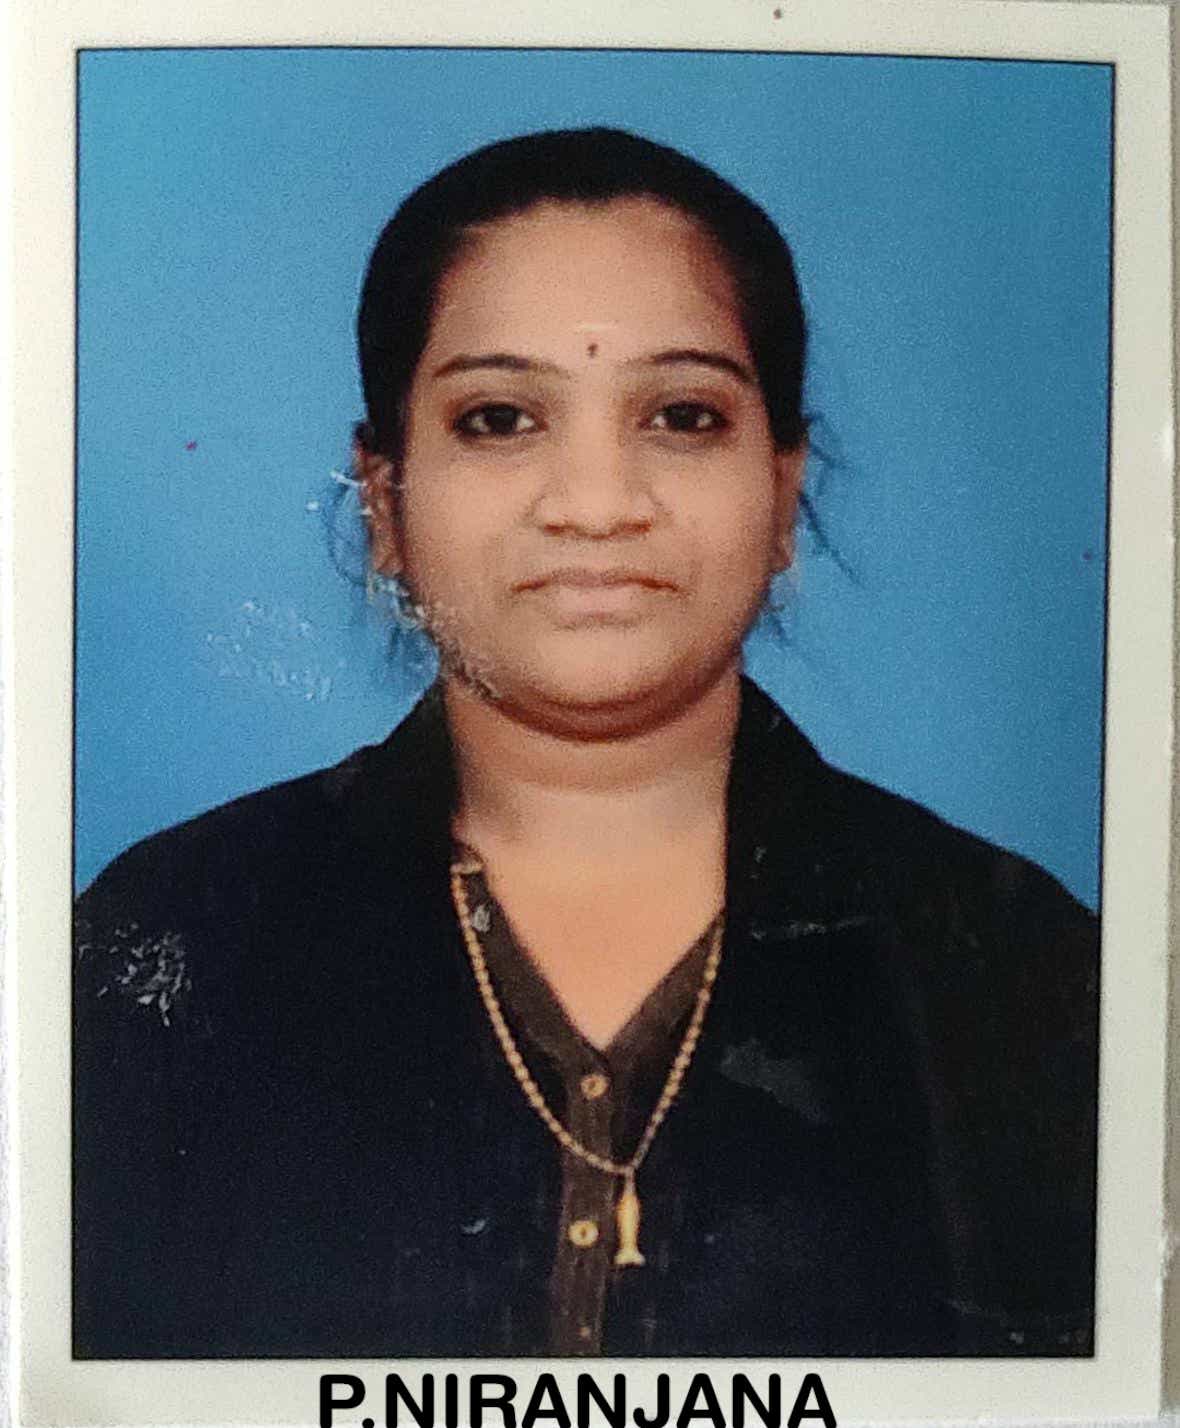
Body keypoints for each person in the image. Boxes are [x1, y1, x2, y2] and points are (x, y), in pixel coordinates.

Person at [73, 127, 1098, 1360]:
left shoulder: (1015, 967)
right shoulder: (175, 939)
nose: (598, 504)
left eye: (683, 415)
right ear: (385, 500)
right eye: (500, 418)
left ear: (783, 490)